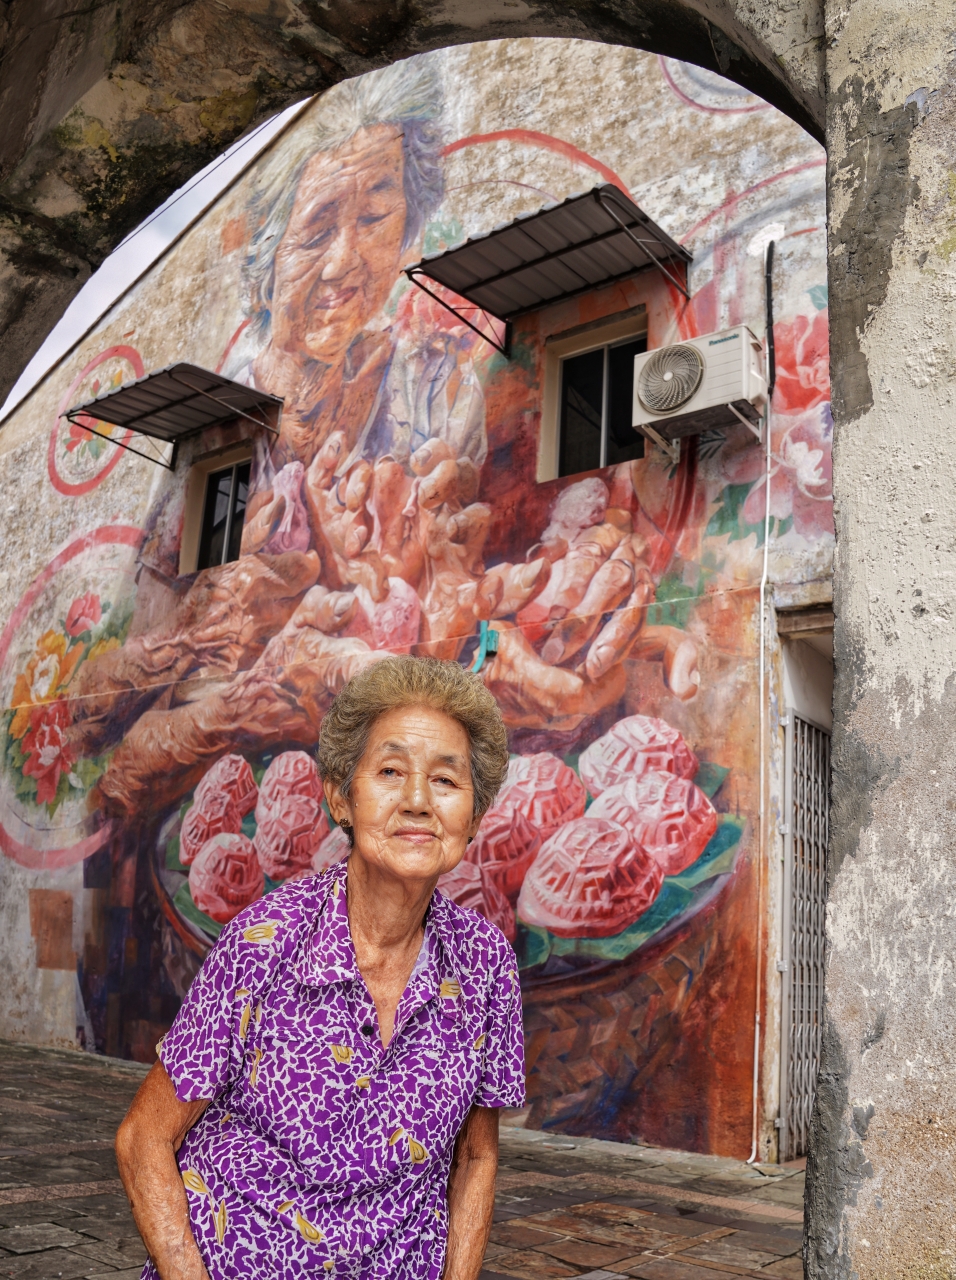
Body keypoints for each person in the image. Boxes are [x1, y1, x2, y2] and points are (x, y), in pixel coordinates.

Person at [115, 656, 523, 1280]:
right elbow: (144, 1139)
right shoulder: (265, 942)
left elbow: (476, 1158)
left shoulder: (486, 963)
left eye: (446, 781)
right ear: (341, 798)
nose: (418, 801)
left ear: (473, 814)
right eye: (390, 771)